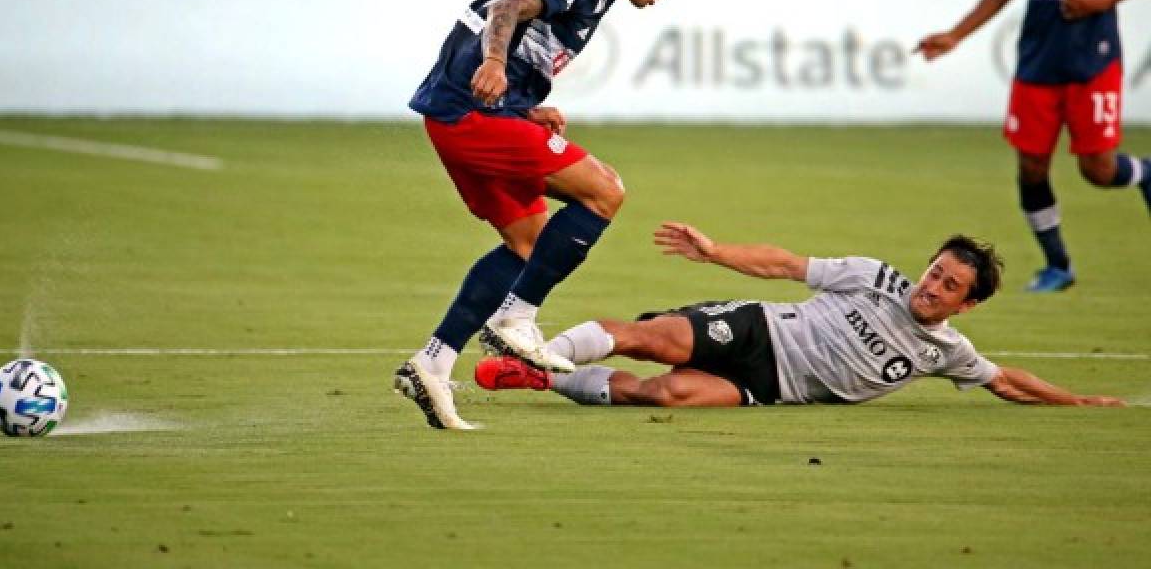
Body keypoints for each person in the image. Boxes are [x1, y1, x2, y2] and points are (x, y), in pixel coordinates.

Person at [395, 0, 696, 430]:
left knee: (530, 244)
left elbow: (517, 43)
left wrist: (522, 108)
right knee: (605, 190)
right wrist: (491, 63)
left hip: (468, 115)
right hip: (468, 116)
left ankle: (433, 363)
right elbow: (507, 6)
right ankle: (516, 318)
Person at [475, 221, 1126, 408]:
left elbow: (1005, 380)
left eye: (948, 285)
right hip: (761, 326)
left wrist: (1078, 402)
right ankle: (531, 348)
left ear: (968, 303)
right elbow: (787, 265)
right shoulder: (874, 276)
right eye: (934, 271)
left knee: (667, 394)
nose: (930, 286)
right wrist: (716, 252)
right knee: (650, 341)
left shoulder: (947, 352)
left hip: (772, 387)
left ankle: (547, 377)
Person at [916, 0, 1150, 293]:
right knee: (1031, 166)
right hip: (1038, 61)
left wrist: (1100, 2)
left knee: (1098, 170)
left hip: (1094, 60)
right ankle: (1057, 265)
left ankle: (1146, 173)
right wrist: (957, 34)